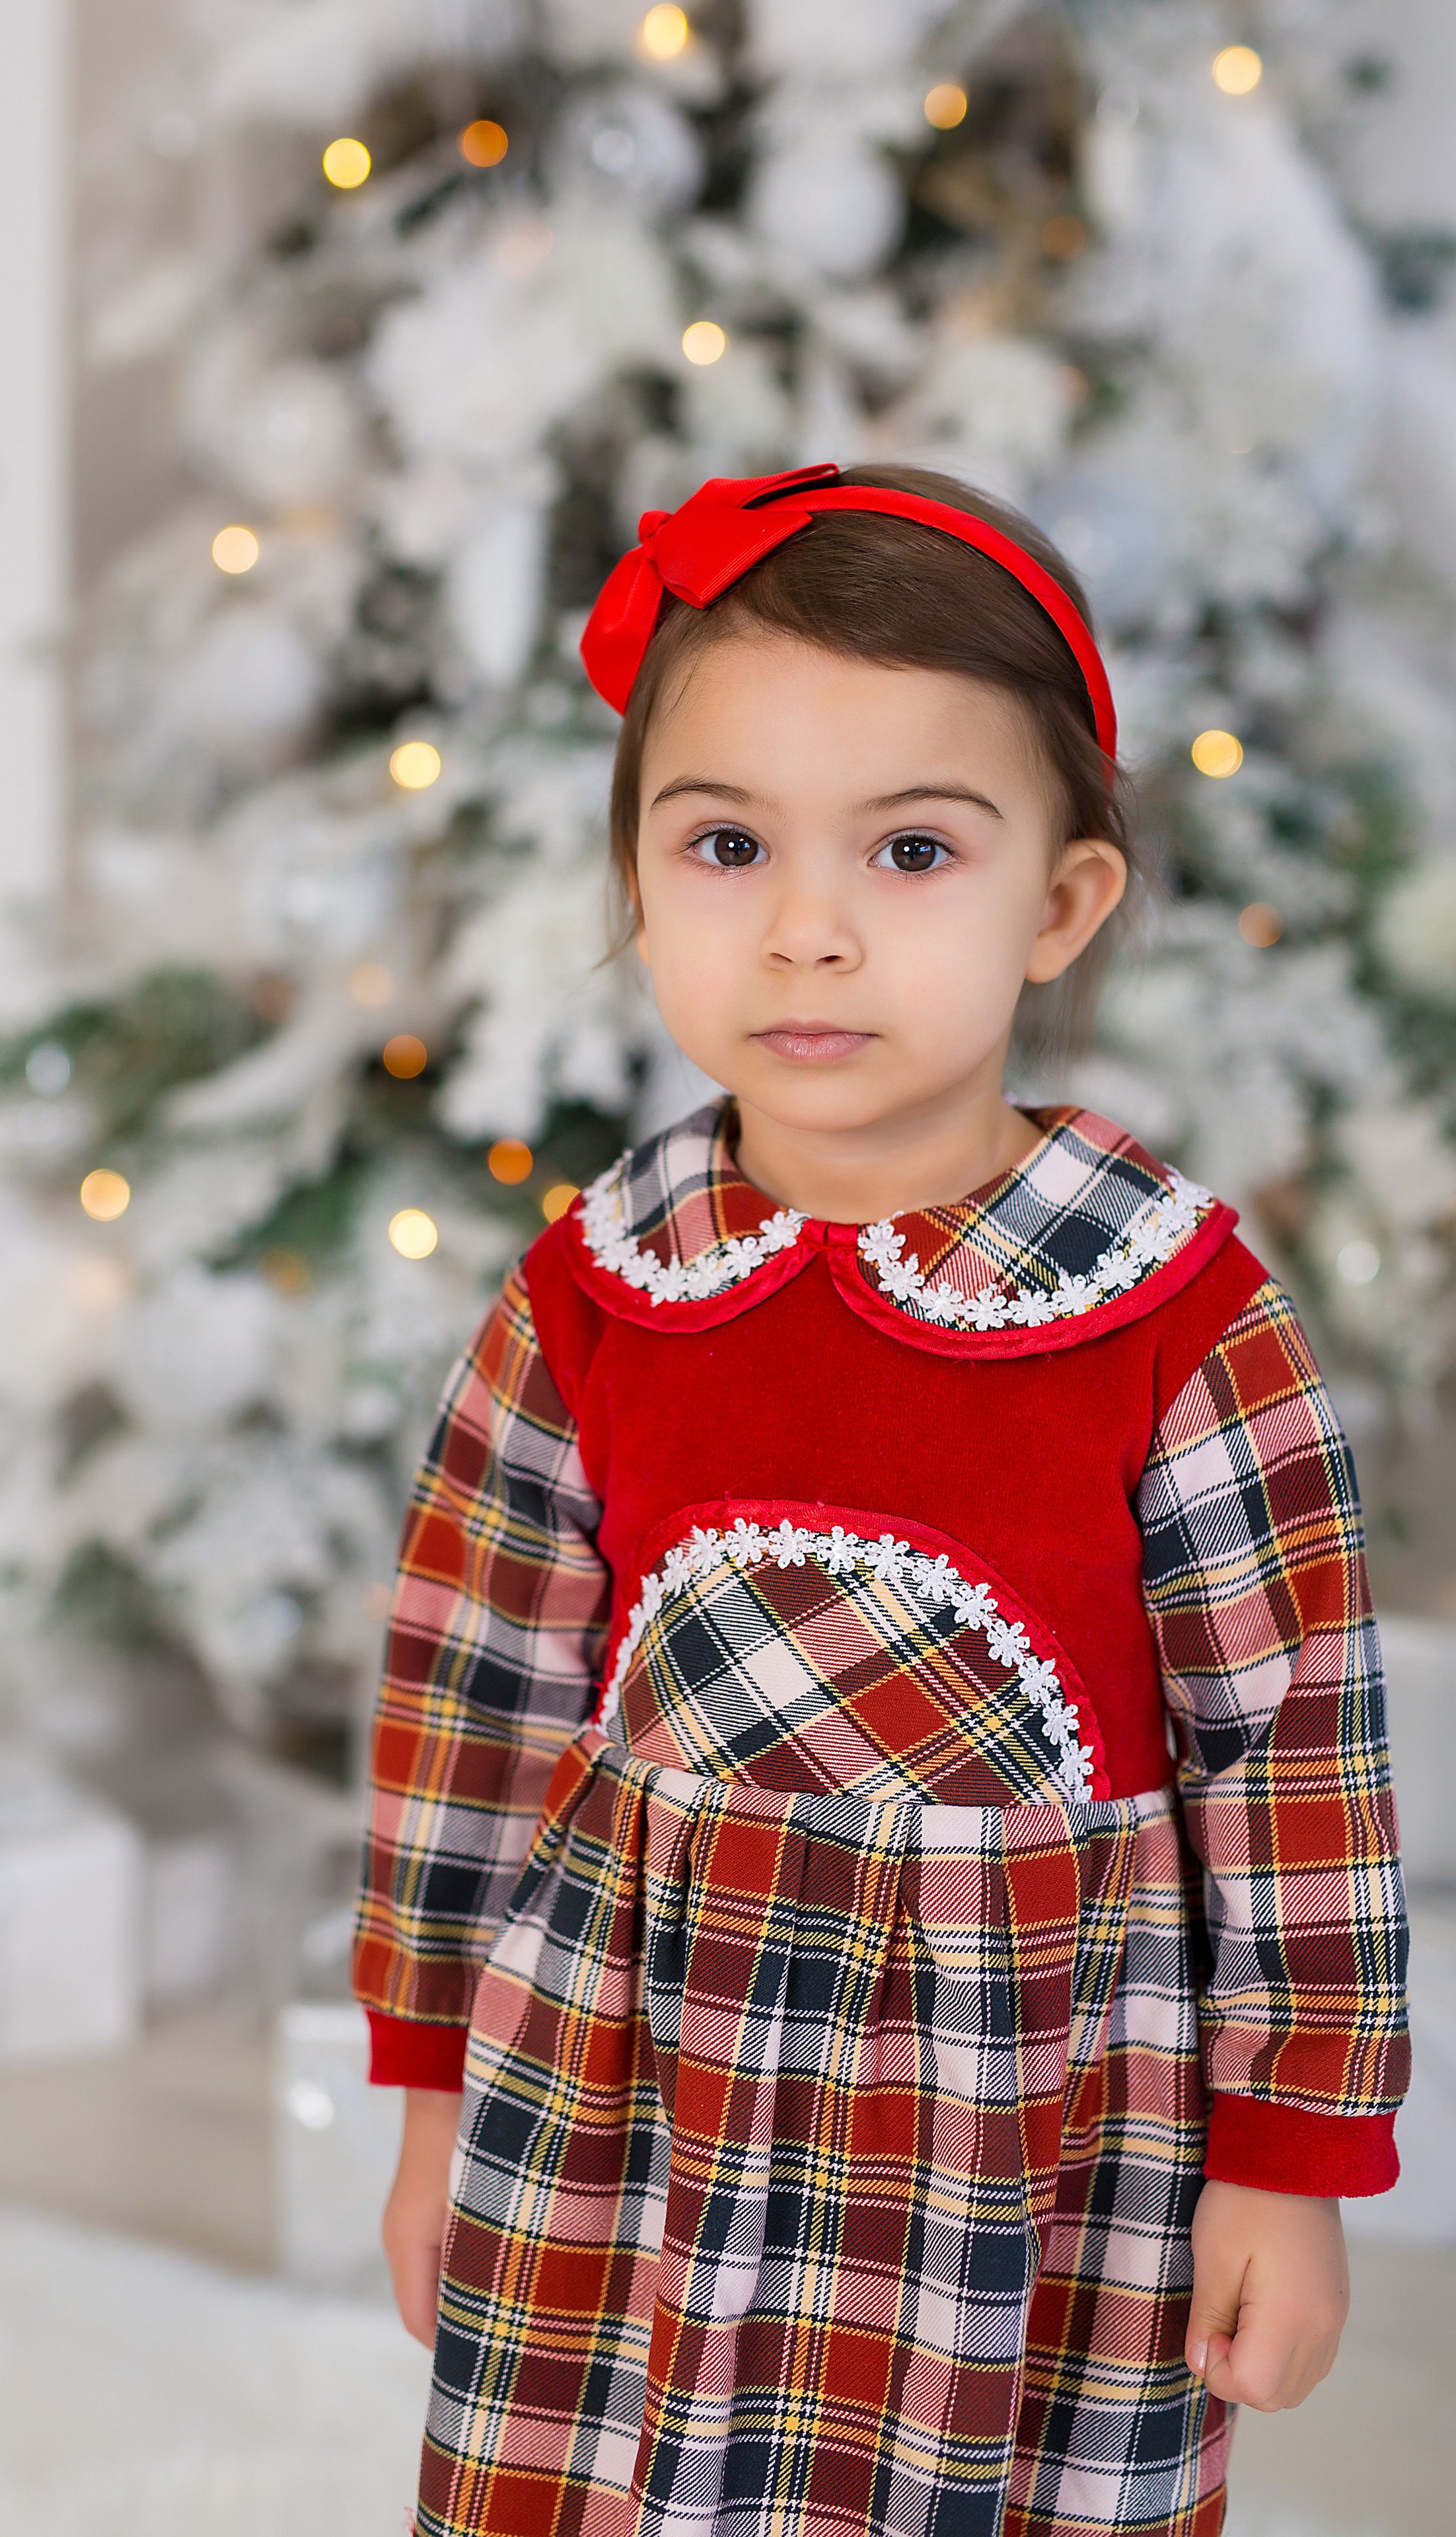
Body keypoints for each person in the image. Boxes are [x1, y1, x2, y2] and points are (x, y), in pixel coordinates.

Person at [352, 464, 1410, 2537]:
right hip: (634, 2092)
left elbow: (1297, 1768)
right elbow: (464, 1710)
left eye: (913, 850)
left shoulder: (1171, 1319)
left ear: (1062, 902)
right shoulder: (598, 1291)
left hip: (1021, 2140)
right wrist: (427, 2100)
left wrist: (1287, 2172)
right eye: (727, 844)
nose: (808, 927)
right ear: (639, 882)